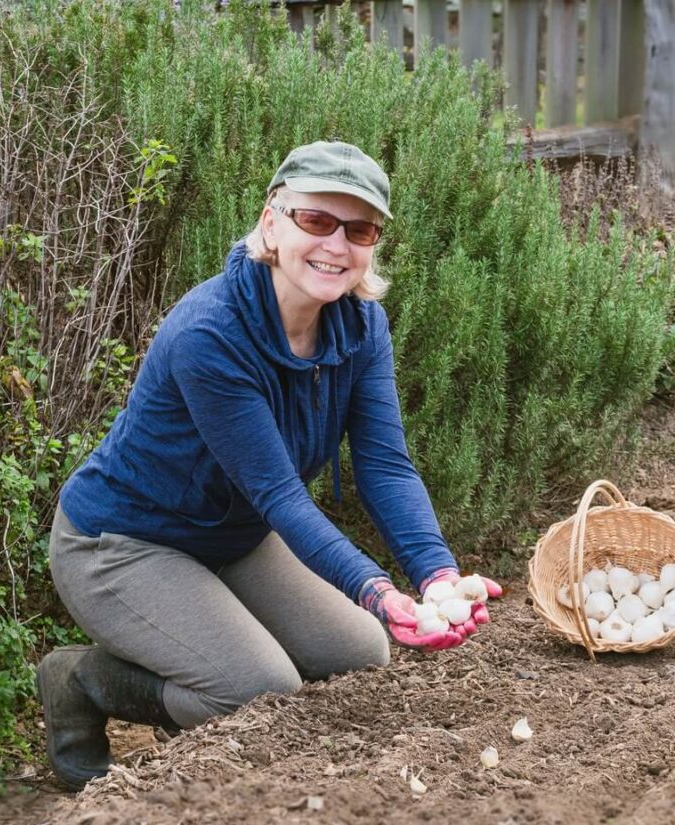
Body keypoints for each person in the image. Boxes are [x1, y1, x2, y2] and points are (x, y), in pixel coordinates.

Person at [36, 140, 502, 790]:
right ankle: (81, 679)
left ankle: (201, 658)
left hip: (232, 538)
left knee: (362, 651)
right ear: (272, 222)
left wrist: (437, 574)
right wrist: (377, 589)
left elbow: (386, 466)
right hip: (121, 544)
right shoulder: (211, 334)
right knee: (260, 687)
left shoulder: (361, 326)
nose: (337, 245)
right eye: (317, 220)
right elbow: (281, 496)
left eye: (359, 228)